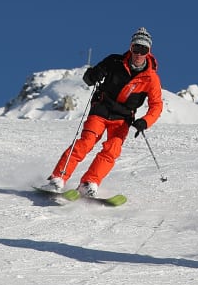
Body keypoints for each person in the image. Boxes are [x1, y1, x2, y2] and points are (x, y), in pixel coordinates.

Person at [43, 27, 163, 198]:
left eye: (143, 50)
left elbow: (156, 105)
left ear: (148, 52)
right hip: (101, 109)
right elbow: (88, 78)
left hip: (123, 118)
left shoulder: (151, 78)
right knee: (86, 142)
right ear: (130, 48)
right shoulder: (114, 61)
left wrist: (145, 121)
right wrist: (94, 74)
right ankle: (58, 178)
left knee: (112, 151)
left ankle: (88, 183)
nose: (138, 53)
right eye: (135, 48)